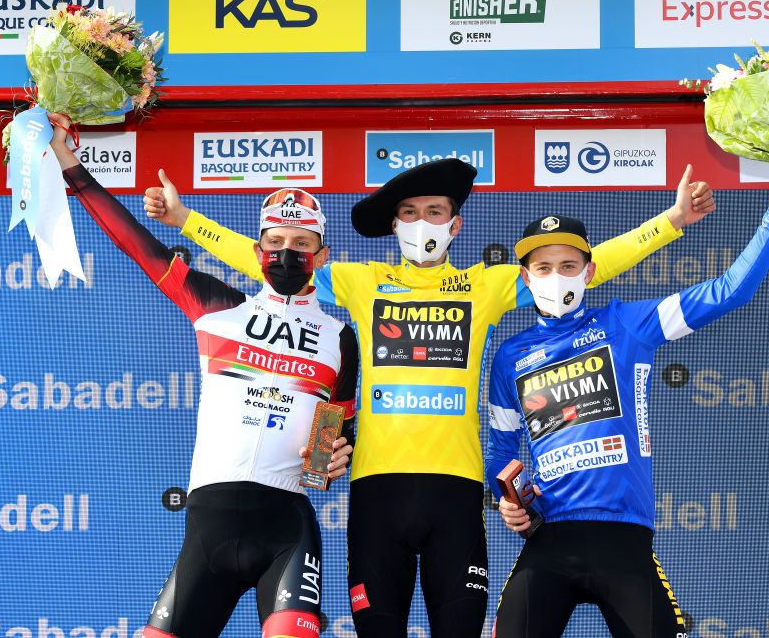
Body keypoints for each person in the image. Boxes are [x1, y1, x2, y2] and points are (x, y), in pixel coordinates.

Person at [143, 157, 715, 637]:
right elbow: (273, 258)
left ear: (455, 225)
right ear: (395, 226)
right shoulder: (362, 281)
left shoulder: (484, 286)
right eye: (410, 215)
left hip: (456, 494)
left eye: (434, 213)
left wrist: (672, 221)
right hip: (377, 491)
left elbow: (588, 263)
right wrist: (186, 219)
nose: (423, 223)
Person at [46, 114, 358, 638]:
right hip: (208, 527)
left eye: (301, 244)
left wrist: (328, 464)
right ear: (258, 251)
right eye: (276, 240)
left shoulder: (340, 337)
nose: (287, 252)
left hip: (287, 529)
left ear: (321, 256)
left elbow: (327, 451)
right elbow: (136, 244)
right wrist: (70, 166)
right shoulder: (217, 306)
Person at [486, 157, 769, 638]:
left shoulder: (627, 324)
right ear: (525, 279)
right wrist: (508, 501)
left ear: (589, 272)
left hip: (624, 541)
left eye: (568, 265)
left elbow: (730, 291)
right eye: (542, 267)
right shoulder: (509, 356)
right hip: (549, 540)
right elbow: (501, 453)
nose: (555, 276)